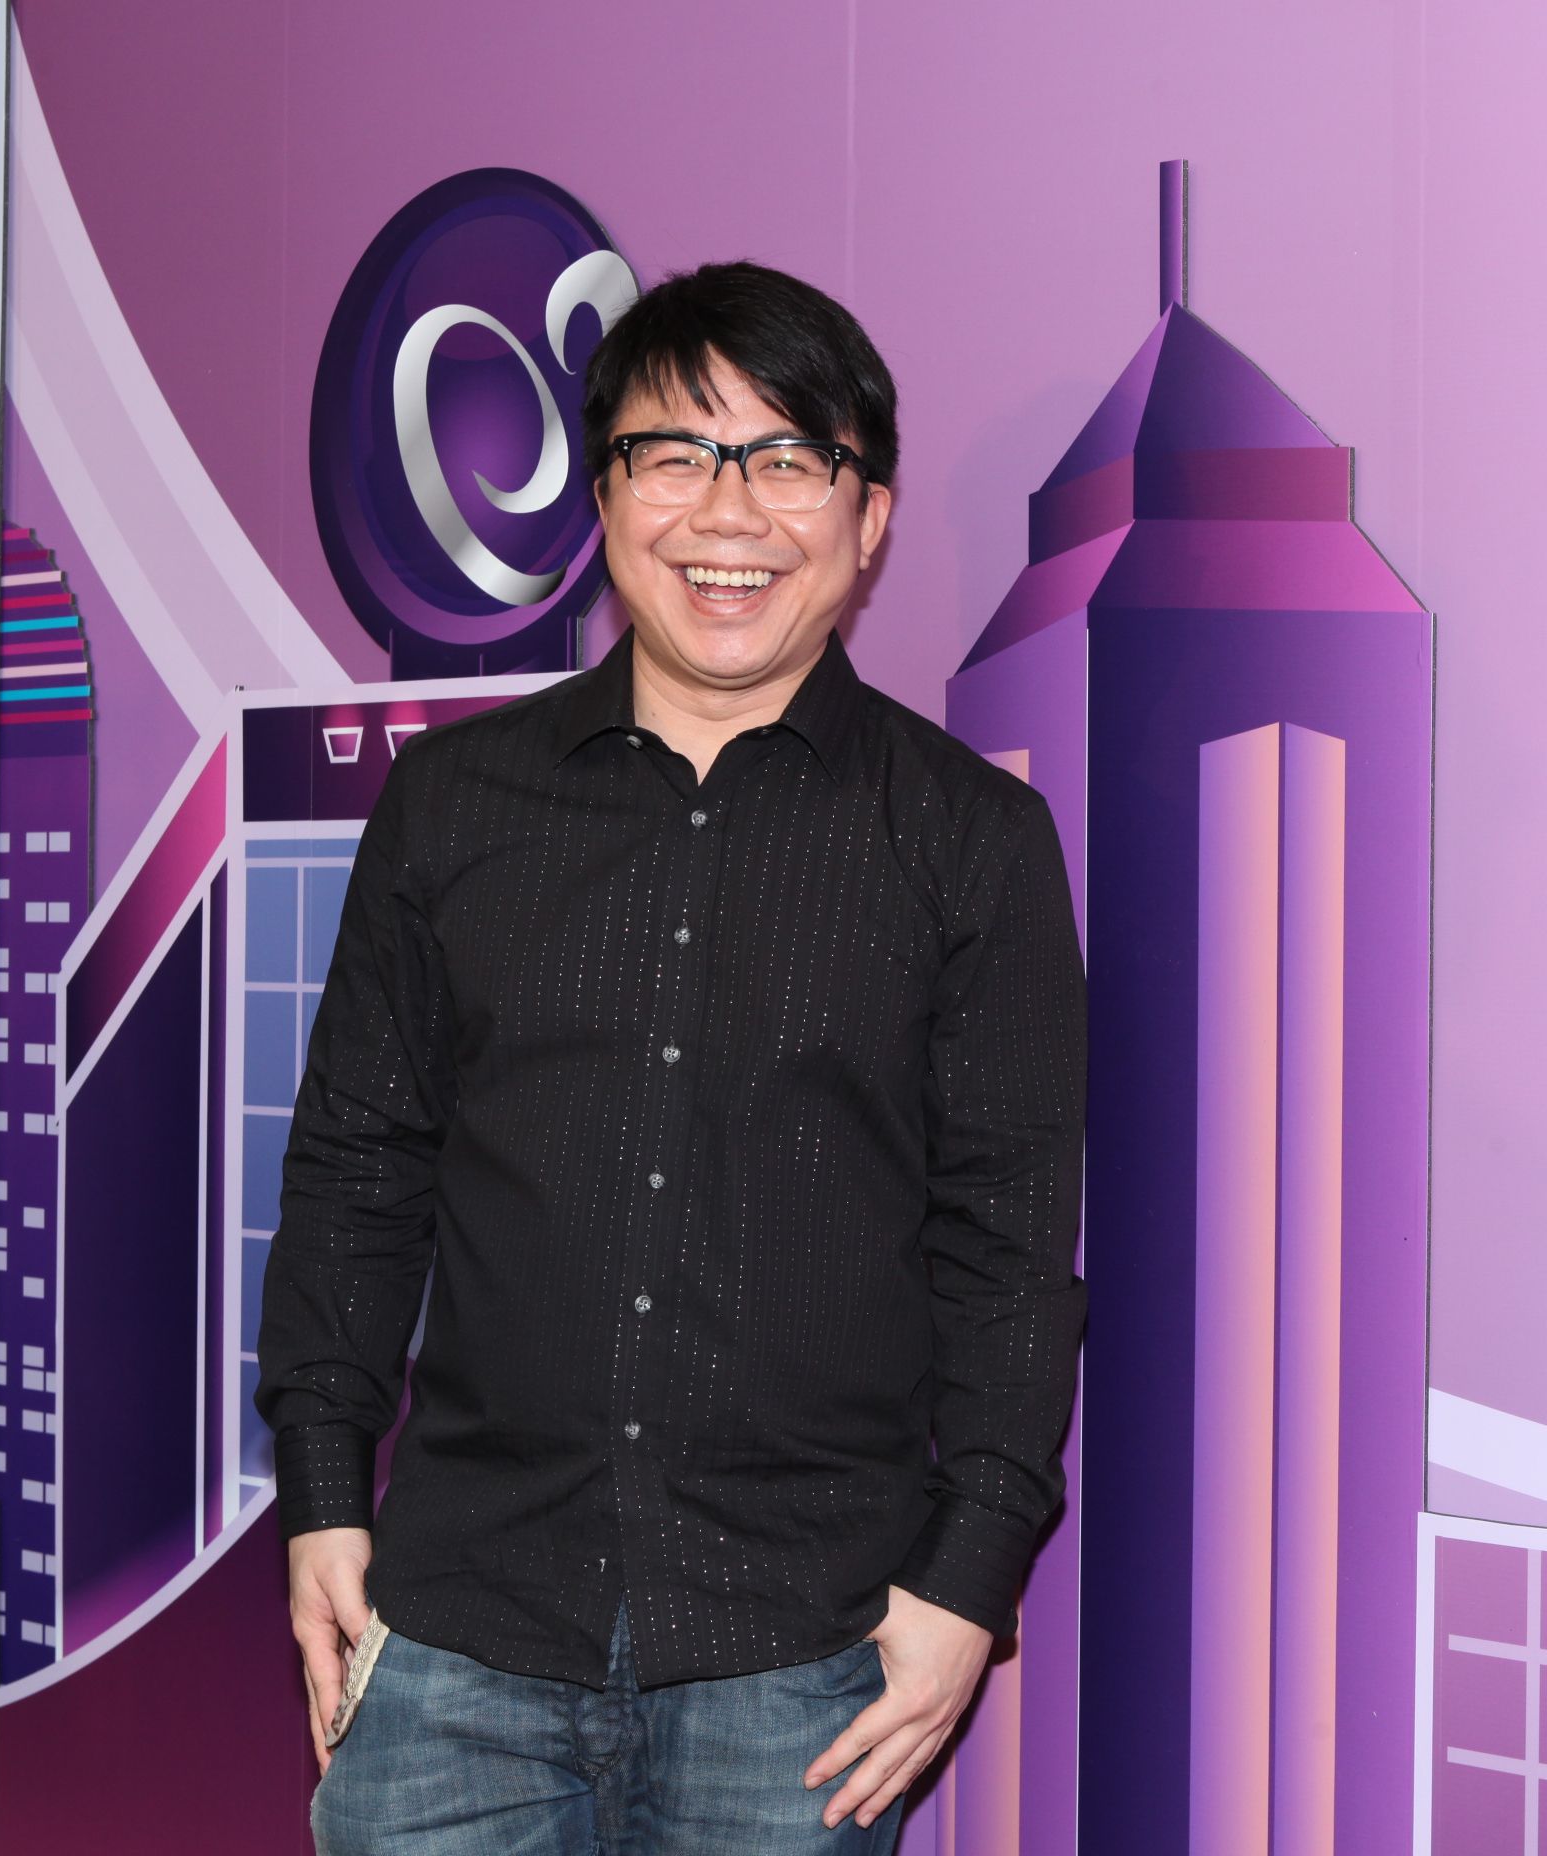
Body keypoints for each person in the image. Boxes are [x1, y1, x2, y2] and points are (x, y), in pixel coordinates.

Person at [257, 261, 1087, 1856]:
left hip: (803, 1660)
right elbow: (360, 1169)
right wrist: (322, 1492)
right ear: (604, 494)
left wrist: (966, 1584)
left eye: (788, 459)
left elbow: (1009, 1250)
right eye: (675, 454)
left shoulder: (970, 842)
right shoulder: (453, 807)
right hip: (452, 1639)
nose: (728, 512)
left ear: (869, 517)